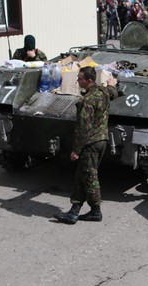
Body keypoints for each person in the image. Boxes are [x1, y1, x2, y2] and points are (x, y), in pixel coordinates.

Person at [54, 67, 118, 224]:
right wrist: (112, 84)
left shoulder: (87, 101)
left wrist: (76, 150)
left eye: (80, 78)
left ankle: (96, 211)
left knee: (90, 178)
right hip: (101, 141)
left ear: (89, 80)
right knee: (82, 176)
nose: (78, 81)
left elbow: (84, 128)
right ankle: (74, 211)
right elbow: (112, 93)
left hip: (90, 143)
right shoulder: (103, 92)